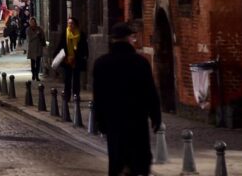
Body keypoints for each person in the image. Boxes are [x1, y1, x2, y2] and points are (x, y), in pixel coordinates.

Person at [92, 22, 162, 176]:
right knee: (138, 161)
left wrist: (100, 121)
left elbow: (98, 96)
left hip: (114, 120)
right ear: (129, 39)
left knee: (117, 160)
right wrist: (155, 116)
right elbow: (150, 92)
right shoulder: (140, 62)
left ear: (113, 40)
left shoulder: (101, 64)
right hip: (136, 120)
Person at [55, 17, 88, 102]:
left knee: (76, 78)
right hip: (67, 59)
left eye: (71, 23)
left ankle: (76, 95)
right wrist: (56, 54)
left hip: (77, 59)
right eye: (68, 23)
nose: (70, 25)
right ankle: (67, 96)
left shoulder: (80, 34)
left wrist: (85, 55)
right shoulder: (65, 33)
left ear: (75, 24)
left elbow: (84, 45)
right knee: (67, 79)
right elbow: (61, 44)